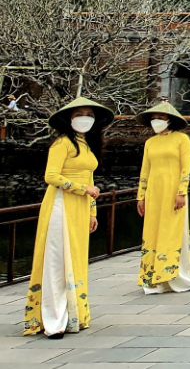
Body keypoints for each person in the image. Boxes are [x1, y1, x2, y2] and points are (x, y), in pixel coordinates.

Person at [23, 97, 108, 338]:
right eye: (79, 114)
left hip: (80, 209)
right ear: (69, 119)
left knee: (76, 260)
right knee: (57, 259)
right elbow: (51, 176)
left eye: (89, 115)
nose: (85, 118)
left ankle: (73, 313)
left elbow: (89, 178)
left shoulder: (87, 145)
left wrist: (93, 211)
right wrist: (82, 189)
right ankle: (52, 320)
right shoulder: (62, 143)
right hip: (60, 205)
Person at [135, 101, 190, 294]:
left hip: (173, 193)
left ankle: (176, 275)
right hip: (154, 193)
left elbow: (186, 168)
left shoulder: (181, 140)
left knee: (172, 233)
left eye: (160, 118)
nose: (156, 121)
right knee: (153, 232)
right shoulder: (150, 143)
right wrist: (141, 196)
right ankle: (152, 277)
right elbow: (145, 170)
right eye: (154, 118)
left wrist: (181, 192)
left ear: (169, 120)